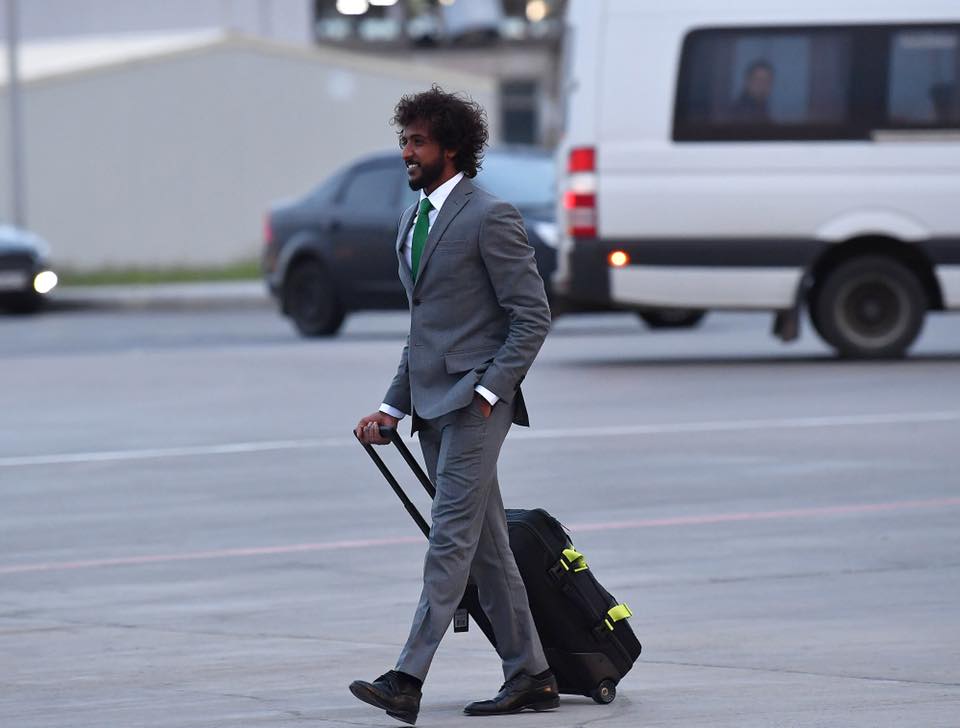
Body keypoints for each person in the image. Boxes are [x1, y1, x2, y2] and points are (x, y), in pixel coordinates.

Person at [350, 86, 556, 724]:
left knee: (449, 539)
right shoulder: (413, 220)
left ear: (453, 148)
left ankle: (407, 677)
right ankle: (533, 675)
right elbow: (424, 332)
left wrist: (493, 391)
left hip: (475, 407)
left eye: (418, 141)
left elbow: (532, 316)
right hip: (431, 407)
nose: (407, 152)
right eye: (404, 140)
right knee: (488, 548)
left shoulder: (489, 216)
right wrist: (391, 407)